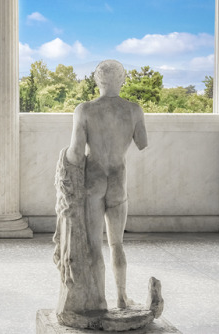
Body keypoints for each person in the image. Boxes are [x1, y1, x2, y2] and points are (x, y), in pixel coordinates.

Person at [66, 59, 148, 309]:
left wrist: (63, 156)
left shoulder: (85, 109)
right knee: (117, 245)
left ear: (96, 80)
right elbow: (142, 142)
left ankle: (99, 300)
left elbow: (76, 154)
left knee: (94, 245)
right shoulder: (134, 109)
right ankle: (122, 298)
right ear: (123, 80)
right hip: (118, 181)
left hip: (94, 180)